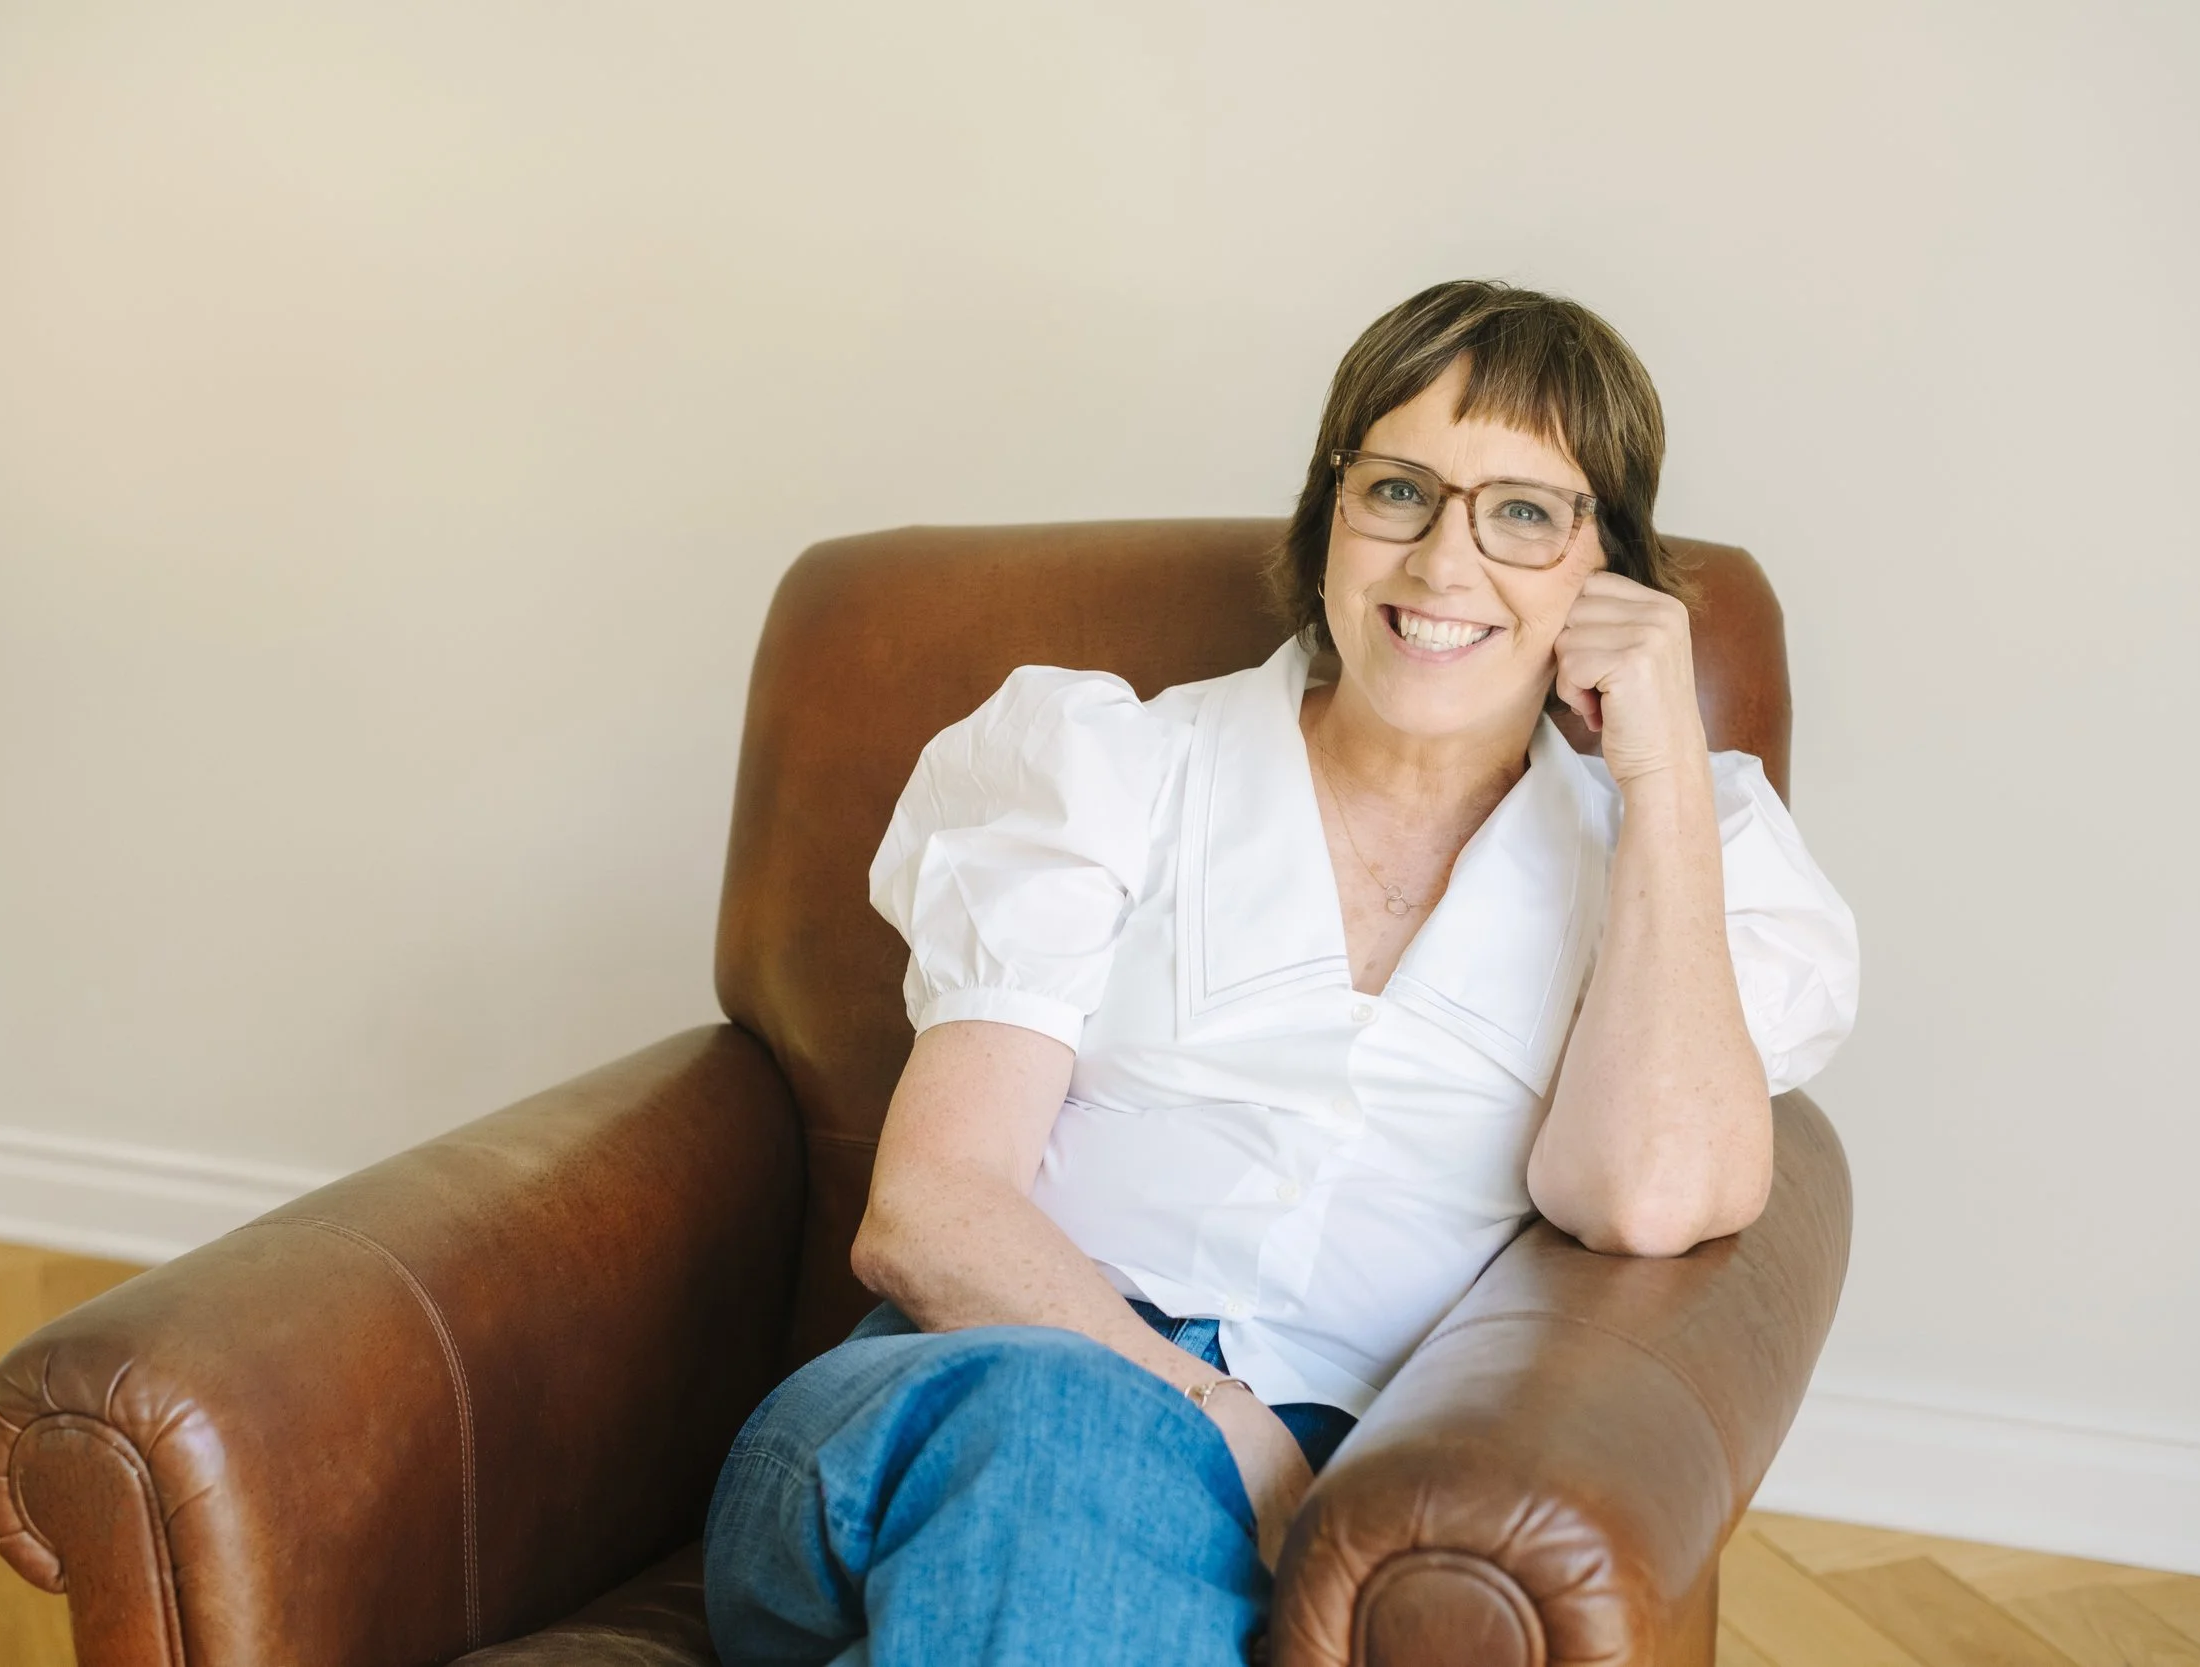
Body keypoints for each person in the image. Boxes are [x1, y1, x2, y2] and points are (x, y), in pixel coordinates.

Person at [702, 279, 1859, 1666]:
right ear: (1329, 518)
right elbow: (930, 1213)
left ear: (1607, 573)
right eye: (1400, 491)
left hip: (1332, 1492)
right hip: (948, 1399)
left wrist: (1660, 769)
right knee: (1061, 1442)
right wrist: (1219, 1425)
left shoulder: (1678, 856)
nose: (1444, 562)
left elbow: (1649, 1196)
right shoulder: (1112, 770)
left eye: (1522, 512)